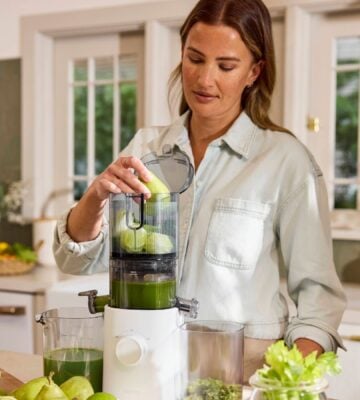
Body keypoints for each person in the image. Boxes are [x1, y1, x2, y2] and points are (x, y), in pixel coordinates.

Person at [54, 0, 346, 381]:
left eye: (226, 66)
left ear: (254, 72)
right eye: (195, 59)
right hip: (144, 367)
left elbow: (319, 299)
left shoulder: (284, 161)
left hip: (241, 372)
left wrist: (286, 382)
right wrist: (96, 196)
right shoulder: (146, 148)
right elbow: (75, 261)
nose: (205, 80)